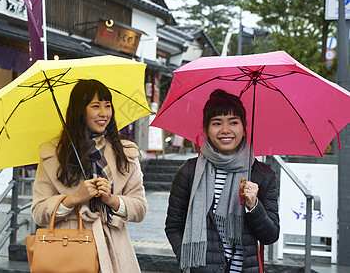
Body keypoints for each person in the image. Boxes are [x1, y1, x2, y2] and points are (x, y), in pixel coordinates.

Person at [31, 79, 148, 272]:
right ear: (80, 110)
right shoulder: (53, 154)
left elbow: (141, 208)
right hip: (68, 248)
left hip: (113, 250)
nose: (104, 113)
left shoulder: (126, 153)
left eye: (108, 106)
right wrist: (74, 198)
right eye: (96, 106)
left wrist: (112, 200)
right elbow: (38, 212)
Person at [165, 89, 279, 273]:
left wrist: (254, 206)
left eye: (233, 122)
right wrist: (188, 260)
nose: (225, 130)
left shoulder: (262, 175)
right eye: (217, 123)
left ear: (244, 128)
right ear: (206, 129)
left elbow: (270, 235)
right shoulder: (190, 171)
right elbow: (174, 226)